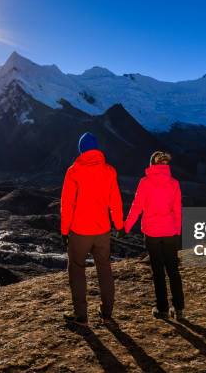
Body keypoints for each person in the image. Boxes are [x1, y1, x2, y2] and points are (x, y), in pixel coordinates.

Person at [61, 132, 125, 326]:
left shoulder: (73, 172)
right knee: (104, 270)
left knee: (77, 270)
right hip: (102, 231)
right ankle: (107, 314)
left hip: (79, 232)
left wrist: (65, 230)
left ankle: (81, 316)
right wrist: (119, 224)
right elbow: (115, 201)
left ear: (81, 150)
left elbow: (67, 204)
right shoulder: (109, 171)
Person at [125, 151, 184, 319]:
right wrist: (178, 232)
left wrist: (126, 227)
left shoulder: (145, 182)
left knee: (158, 272)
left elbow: (136, 207)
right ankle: (179, 309)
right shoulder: (174, 183)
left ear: (152, 165)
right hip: (170, 232)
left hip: (152, 233)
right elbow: (178, 210)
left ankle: (163, 310)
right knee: (173, 271)